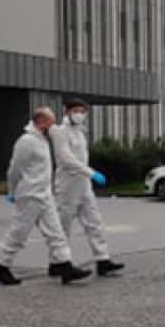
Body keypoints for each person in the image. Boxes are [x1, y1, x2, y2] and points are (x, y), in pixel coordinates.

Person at [0, 107, 90, 286]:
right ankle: (2, 268)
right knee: (19, 233)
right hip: (30, 195)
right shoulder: (27, 141)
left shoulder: (42, 140)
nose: (53, 125)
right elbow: (14, 169)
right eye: (51, 121)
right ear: (42, 121)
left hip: (44, 195)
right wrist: (11, 191)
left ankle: (65, 266)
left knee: (57, 234)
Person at [49, 100, 123, 277]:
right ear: (67, 112)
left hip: (83, 184)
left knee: (94, 222)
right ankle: (58, 262)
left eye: (82, 111)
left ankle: (102, 259)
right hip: (67, 185)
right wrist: (91, 172)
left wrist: (88, 175)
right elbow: (65, 158)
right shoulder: (59, 131)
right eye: (76, 110)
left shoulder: (80, 131)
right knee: (64, 225)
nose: (79, 114)